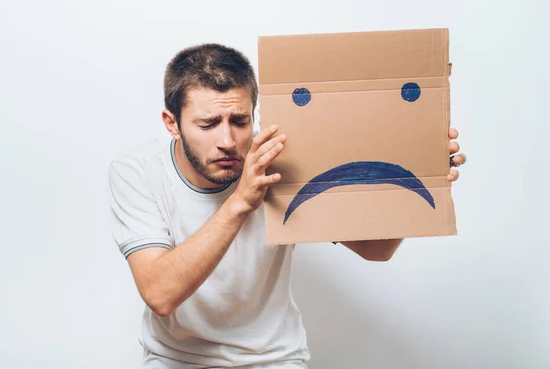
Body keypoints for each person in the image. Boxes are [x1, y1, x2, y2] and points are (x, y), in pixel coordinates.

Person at [107, 43, 467, 368]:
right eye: (208, 124)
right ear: (172, 124)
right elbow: (160, 295)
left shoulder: (279, 162)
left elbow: (377, 250)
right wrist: (240, 202)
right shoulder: (138, 172)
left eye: (240, 121)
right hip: (175, 360)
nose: (228, 140)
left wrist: (415, 173)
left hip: (273, 360)